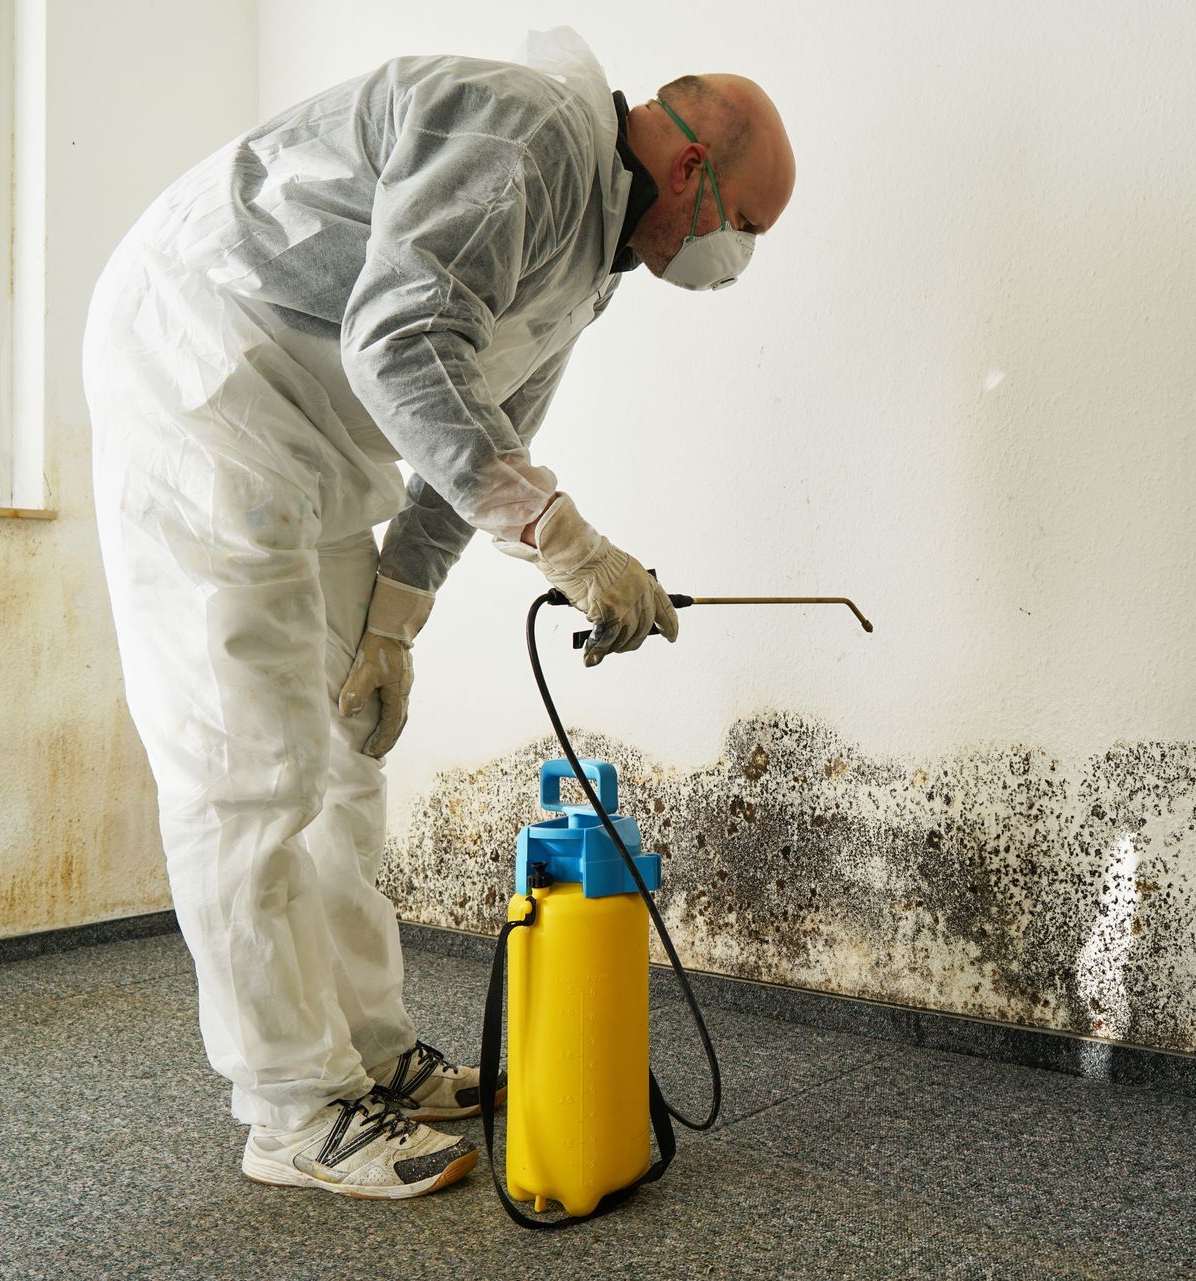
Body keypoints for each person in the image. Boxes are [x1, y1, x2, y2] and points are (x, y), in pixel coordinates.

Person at [82, 27, 795, 1199]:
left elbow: (481, 436)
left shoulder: (593, 261)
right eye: (745, 227)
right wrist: (574, 549)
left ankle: (372, 1057)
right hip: (205, 385)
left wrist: (394, 626)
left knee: (345, 758)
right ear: (689, 175)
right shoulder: (520, 138)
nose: (734, 256)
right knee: (249, 767)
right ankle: (289, 1105)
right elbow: (401, 344)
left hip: (308, 439)